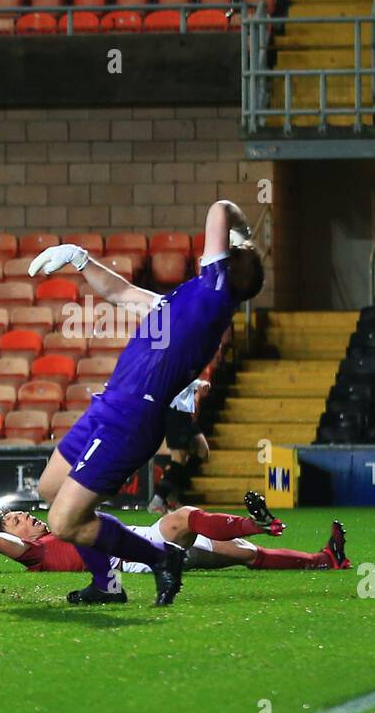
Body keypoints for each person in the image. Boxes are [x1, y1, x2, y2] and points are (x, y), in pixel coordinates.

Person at [25, 200, 264, 605]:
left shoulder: (214, 294)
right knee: (50, 488)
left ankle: (160, 558)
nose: (218, 251)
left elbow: (220, 209)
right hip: (109, 406)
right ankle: (107, 586)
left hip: (131, 418)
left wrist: (243, 234)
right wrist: (80, 259)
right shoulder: (190, 298)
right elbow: (123, 293)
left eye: (229, 252)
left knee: (63, 522)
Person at [0, 483, 350, 605]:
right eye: (22, 520)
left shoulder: (61, 527)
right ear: (17, 537)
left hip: (146, 543)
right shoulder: (34, 553)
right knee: (179, 519)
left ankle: (323, 560)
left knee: (249, 558)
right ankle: (257, 525)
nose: (30, 518)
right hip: (145, 556)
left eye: (25, 513)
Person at [148, 378, 211, 514]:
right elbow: (177, 378)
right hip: (174, 412)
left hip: (184, 415)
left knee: (203, 451)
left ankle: (172, 490)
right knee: (179, 459)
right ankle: (158, 500)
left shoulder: (187, 363)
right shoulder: (172, 362)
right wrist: (198, 384)